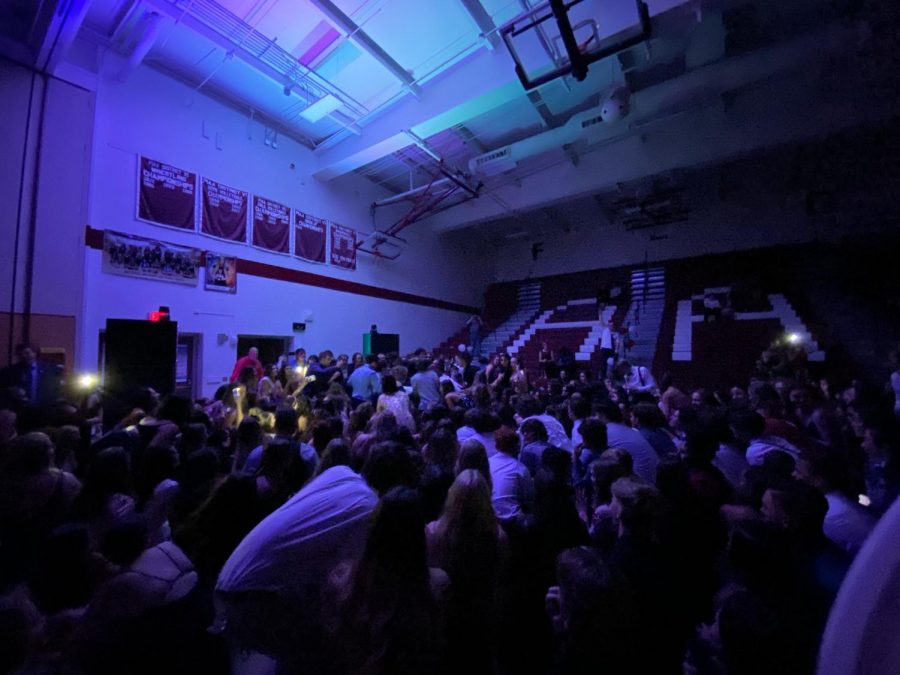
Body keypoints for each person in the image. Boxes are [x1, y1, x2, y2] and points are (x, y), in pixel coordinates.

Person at [488, 428, 534, 526]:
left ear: (496, 446)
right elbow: (528, 497)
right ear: (517, 447)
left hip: (489, 516)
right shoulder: (520, 468)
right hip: (511, 519)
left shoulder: (488, 462)